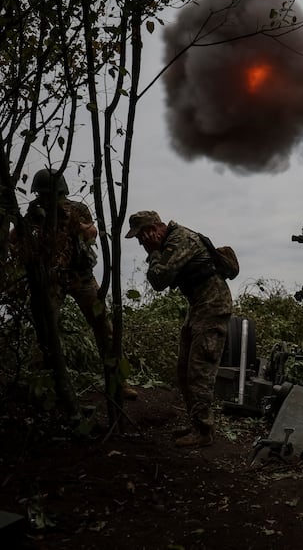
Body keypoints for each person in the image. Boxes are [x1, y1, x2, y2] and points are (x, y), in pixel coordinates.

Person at [21, 168, 138, 401]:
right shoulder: (35, 213)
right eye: (41, 195)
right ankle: (41, 384)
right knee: (46, 328)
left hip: (81, 275)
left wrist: (72, 222)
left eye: (48, 194)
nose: (44, 199)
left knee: (104, 327)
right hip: (53, 278)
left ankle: (118, 382)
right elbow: (20, 237)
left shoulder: (77, 209)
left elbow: (92, 233)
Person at [126, 210, 232, 448]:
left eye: (141, 236)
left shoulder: (179, 240)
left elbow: (159, 280)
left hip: (212, 308)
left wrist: (154, 253)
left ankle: (204, 431)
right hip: (198, 308)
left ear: (153, 229)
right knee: (183, 370)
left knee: (198, 371)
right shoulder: (173, 241)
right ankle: (196, 424)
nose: (141, 242)